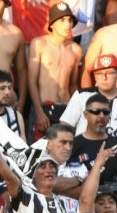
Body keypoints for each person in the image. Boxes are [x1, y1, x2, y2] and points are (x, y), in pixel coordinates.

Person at [27, 3, 82, 137]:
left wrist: (77, 109)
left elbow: (73, 84)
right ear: (51, 24)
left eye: (70, 20)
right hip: (44, 106)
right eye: (62, 20)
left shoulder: (75, 49)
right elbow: (31, 80)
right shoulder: (39, 44)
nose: (67, 24)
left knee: (65, 152)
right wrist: (39, 111)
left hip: (66, 107)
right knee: (39, 153)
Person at [61, 55, 117, 142]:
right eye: (99, 73)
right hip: (84, 152)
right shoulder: (81, 95)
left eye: (109, 73)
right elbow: (65, 126)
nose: (104, 78)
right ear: (94, 76)